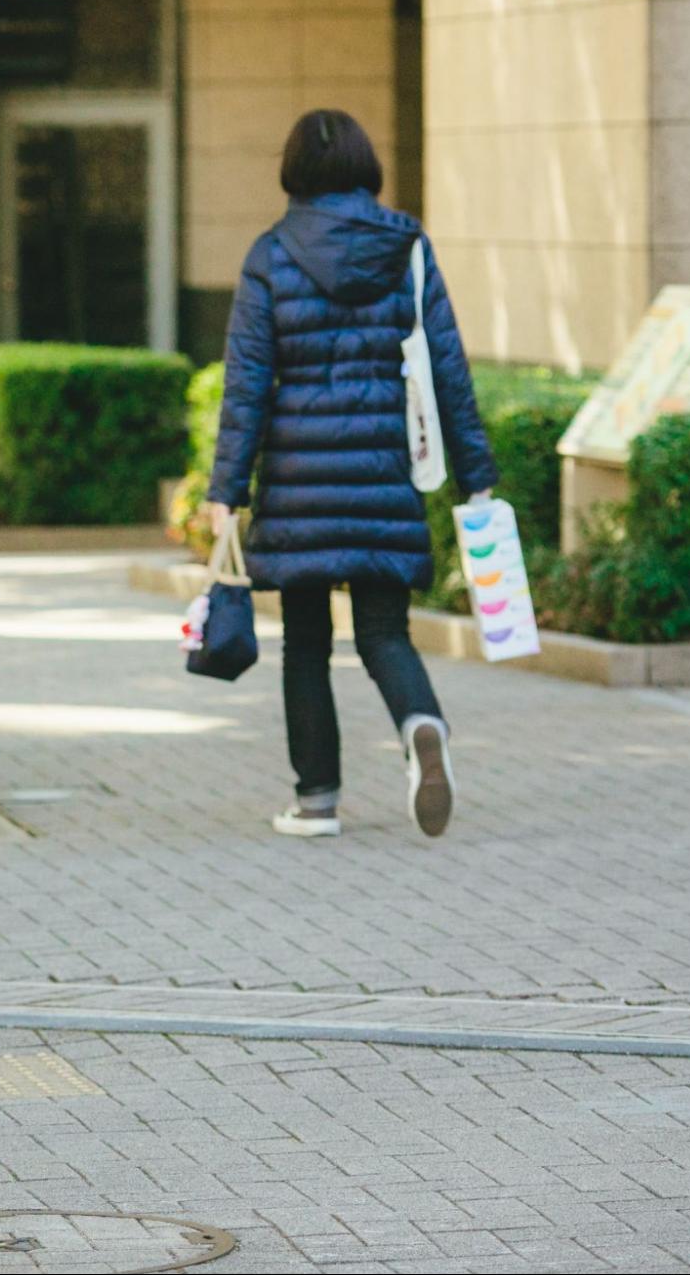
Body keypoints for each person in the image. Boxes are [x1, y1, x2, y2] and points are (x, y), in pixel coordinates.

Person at [203, 108, 497, 840]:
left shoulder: (269, 256)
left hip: (299, 481)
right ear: (366, 165)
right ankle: (420, 723)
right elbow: (449, 369)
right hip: (382, 471)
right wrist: (476, 474)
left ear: (293, 170)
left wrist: (224, 491)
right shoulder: (409, 249)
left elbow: (246, 384)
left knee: (304, 643)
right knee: (382, 633)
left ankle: (316, 800)